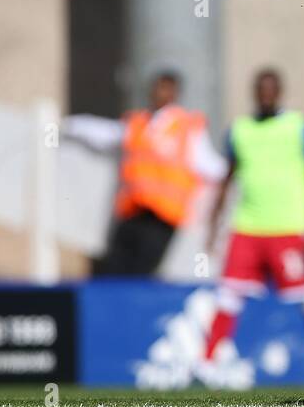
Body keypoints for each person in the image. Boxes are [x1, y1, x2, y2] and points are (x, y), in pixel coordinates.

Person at [203, 68, 304, 382]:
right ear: (255, 93)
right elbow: (227, 180)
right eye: (260, 90)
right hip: (247, 228)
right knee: (227, 295)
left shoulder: (299, 127)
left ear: (279, 92)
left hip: (289, 229)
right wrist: (213, 226)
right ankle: (206, 365)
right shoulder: (239, 130)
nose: (265, 95)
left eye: (271, 90)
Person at [64, 71, 226, 277]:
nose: (160, 93)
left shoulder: (186, 127)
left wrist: (235, 173)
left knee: (141, 271)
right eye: (157, 87)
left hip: (163, 216)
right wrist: (71, 125)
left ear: (175, 93)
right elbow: (106, 133)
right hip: (134, 209)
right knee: (114, 267)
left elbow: (209, 164)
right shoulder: (138, 123)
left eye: (166, 88)